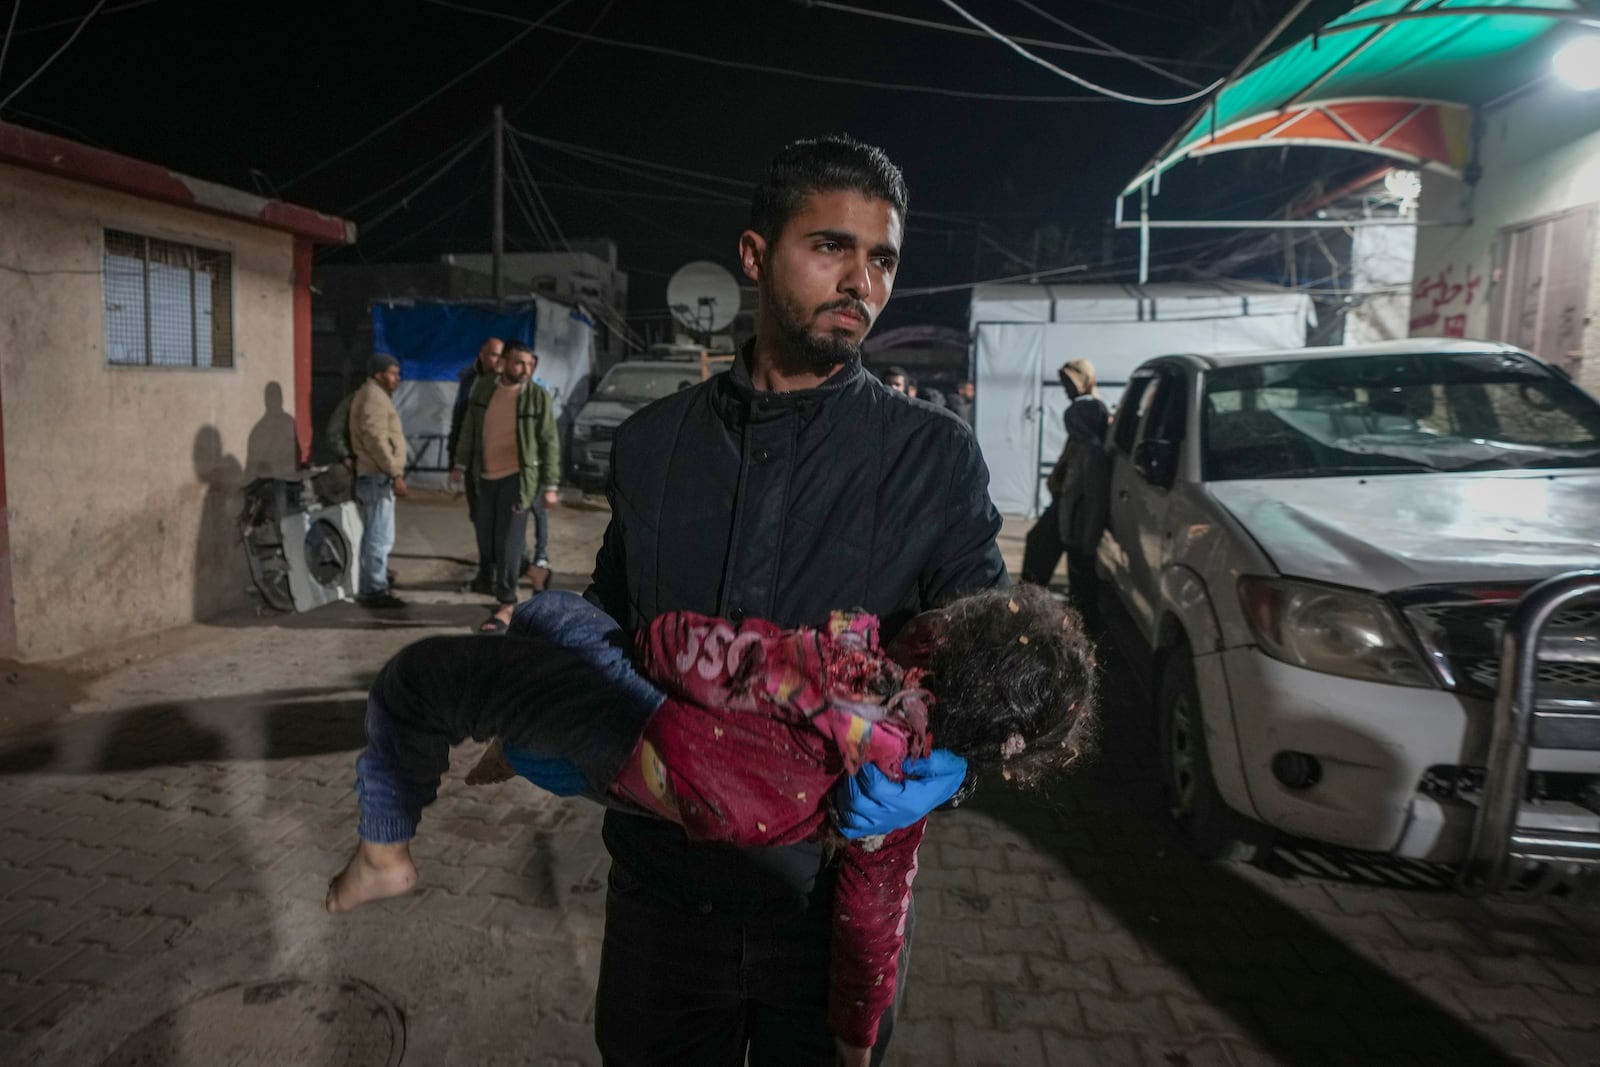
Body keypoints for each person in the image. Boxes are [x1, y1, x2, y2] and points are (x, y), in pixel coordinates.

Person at [580, 134, 1007, 1067]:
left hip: (828, 906)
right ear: (754, 254)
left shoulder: (933, 459)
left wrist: (955, 762)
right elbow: (610, 615)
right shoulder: (654, 446)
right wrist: (557, 696)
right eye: (830, 247)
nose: (861, 279)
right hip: (661, 895)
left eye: (882, 258)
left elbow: (988, 663)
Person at [326, 586, 1097, 1055]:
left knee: (427, 675)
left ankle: (384, 852)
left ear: (947, 634)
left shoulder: (845, 669)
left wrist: (688, 635)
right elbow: (873, 921)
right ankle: (513, 722)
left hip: (643, 723)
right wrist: (857, 1040)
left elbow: (677, 647)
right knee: (551, 707)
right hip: (692, 804)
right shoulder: (901, 793)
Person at [450, 341, 560, 633]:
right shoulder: (485, 388)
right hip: (484, 477)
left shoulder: (537, 396)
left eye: (529, 364)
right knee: (488, 543)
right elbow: (470, 428)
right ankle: (535, 572)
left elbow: (549, 440)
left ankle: (507, 604)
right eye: (519, 363)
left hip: (519, 480)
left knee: (508, 542)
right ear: (505, 363)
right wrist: (459, 464)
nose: (525, 370)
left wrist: (550, 484)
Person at [1020, 359, 1109, 593]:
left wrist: (1087, 544)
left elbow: (1094, 497)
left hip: (1075, 515)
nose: (1066, 390)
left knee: (1063, 564)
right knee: (1039, 547)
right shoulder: (1081, 442)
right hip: (1067, 506)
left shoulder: (1090, 441)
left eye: (1069, 383)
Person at [349, 354, 408, 609]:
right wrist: (394, 471)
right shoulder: (373, 397)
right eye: (393, 373)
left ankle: (373, 584)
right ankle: (374, 590)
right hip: (377, 476)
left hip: (375, 475)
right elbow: (375, 438)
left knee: (376, 534)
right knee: (379, 537)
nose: (397, 378)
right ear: (378, 374)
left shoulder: (374, 396)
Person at [449, 338, 505, 593]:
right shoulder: (470, 380)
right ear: (482, 355)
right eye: (492, 355)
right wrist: (456, 460)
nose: (496, 360)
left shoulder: (503, 384)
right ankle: (488, 572)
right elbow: (461, 420)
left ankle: (502, 573)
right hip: (472, 461)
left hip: (496, 464)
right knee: (480, 519)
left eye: (499, 355)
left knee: (497, 522)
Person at [1055, 397, 1111, 632]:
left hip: (1081, 540)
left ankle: (1086, 633)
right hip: (1073, 535)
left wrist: (1088, 544)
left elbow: (1096, 503)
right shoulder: (1081, 449)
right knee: (1077, 587)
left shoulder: (1093, 454)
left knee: (1084, 591)